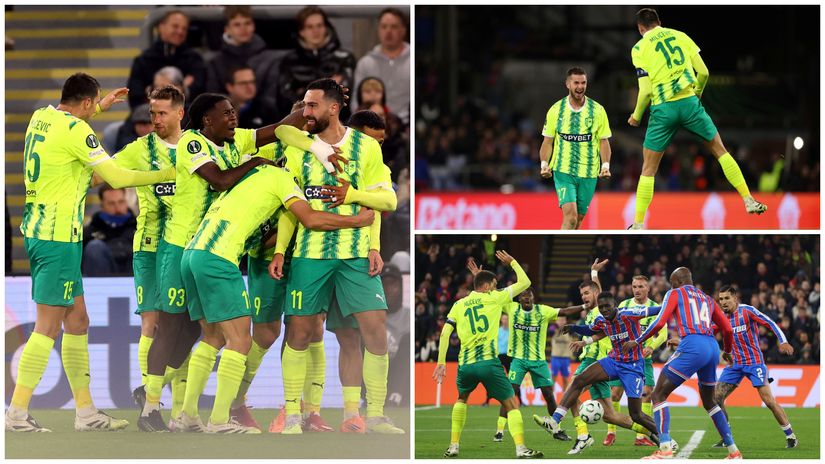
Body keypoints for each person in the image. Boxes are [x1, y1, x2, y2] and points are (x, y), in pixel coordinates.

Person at [140, 92, 328, 432]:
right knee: (201, 332)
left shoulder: (233, 143)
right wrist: (258, 162)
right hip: (184, 242)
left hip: (199, 247)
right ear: (207, 121)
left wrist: (305, 110)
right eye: (226, 113)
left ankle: (185, 414)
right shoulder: (193, 143)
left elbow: (275, 130)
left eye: (234, 111)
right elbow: (222, 179)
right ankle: (176, 409)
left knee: (209, 337)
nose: (234, 117)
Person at [6, 72, 175, 432]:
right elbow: (117, 178)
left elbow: (73, 120)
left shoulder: (41, 117)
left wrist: (99, 106)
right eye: (93, 105)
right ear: (84, 103)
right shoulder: (78, 132)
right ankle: (16, 413)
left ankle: (85, 412)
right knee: (47, 328)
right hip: (58, 239)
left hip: (39, 231)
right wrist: (172, 174)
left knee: (78, 321)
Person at [180, 161, 375, 433]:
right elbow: (310, 219)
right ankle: (220, 420)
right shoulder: (282, 178)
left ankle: (187, 415)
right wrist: (357, 221)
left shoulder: (248, 177)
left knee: (212, 338)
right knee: (240, 340)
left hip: (192, 253)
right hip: (218, 257)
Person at [271, 78, 400, 435]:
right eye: (303, 105)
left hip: (355, 254)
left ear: (333, 107)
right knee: (299, 331)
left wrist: (353, 194)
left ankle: (371, 414)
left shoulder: (366, 148)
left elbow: (387, 201)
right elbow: (289, 204)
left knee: (374, 329)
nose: (305, 112)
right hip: (310, 253)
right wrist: (281, 249)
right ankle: (294, 414)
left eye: (311, 106)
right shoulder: (300, 147)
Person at [627, 8, 766, 229]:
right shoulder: (681, 36)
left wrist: (636, 116)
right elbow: (704, 72)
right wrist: (697, 94)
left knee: (648, 169)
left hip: (663, 110)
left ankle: (638, 224)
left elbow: (644, 91)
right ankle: (748, 200)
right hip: (690, 103)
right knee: (721, 151)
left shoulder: (639, 48)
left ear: (640, 28)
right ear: (660, 22)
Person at [107, 86, 187, 428]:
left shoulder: (195, 146)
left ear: (180, 113)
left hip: (186, 246)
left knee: (186, 325)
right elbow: (104, 174)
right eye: (152, 113)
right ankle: (150, 407)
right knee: (153, 323)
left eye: (161, 113)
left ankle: (175, 405)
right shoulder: (140, 149)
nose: (154, 120)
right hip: (151, 246)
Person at [621, 267, 741, 459]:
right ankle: (734, 451)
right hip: (711, 347)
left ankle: (665, 448)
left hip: (692, 345)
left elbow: (660, 322)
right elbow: (727, 329)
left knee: (658, 394)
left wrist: (637, 340)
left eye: (671, 283)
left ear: (676, 282)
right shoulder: (708, 298)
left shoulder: (675, 293)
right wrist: (726, 351)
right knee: (710, 402)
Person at [432, 250, 542, 459]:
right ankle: (521, 449)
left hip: (466, 364)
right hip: (489, 363)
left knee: (462, 399)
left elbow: (445, 332)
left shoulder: (458, 304)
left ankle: (453, 445)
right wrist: (513, 262)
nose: (496, 286)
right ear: (489, 285)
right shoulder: (495, 298)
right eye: (494, 283)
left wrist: (441, 362)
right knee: (511, 403)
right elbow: (525, 282)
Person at [536, 292, 661, 454]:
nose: (603, 309)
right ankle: (555, 421)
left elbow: (656, 310)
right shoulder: (601, 320)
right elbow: (590, 329)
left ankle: (664, 437)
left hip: (633, 367)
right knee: (579, 380)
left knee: (636, 414)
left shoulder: (628, 314)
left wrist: (674, 304)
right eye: (601, 307)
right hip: (613, 361)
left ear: (614, 305)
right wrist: (574, 327)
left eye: (606, 306)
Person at [490, 284, 582, 443]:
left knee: (549, 395)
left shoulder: (543, 311)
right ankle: (499, 431)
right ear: (519, 299)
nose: (526, 297)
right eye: (523, 295)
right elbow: (494, 297)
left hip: (538, 361)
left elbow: (565, 311)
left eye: (529, 295)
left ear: (533, 298)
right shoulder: (511, 308)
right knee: (510, 393)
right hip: (518, 360)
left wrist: (584, 306)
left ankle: (556, 429)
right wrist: (488, 287)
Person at [713, 285, 797, 448]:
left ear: (735, 298)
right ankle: (726, 435)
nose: (723, 302)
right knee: (715, 398)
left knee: (768, 400)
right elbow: (708, 332)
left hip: (754, 363)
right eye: (721, 299)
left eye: (726, 298)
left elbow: (770, 323)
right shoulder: (721, 317)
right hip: (734, 364)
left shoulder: (747, 311)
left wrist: (783, 341)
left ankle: (791, 436)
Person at [539, 67, 612, 230]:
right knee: (570, 218)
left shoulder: (598, 110)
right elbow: (547, 142)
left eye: (583, 83)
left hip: (589, 172)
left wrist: (605, 166)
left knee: (577, 220)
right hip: (564, 170)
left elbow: (604, 142)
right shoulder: (556, 110)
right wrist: (544, 164)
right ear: (567, 84)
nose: (580, 86)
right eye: (576, 83)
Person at [604, 275, 664, 447]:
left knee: (646, 394)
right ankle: (610, 432)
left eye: (641, 286)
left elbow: (664, 332)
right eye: (635, 286)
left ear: (648, 289)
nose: (637, 290)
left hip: (644, 359)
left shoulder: (654, 308)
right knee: (615, 393)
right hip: (623, 358)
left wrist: (651, 346)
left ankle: (641, 437)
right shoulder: (624, 306)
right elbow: (612, 329)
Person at [277, 6, 356, 118]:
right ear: (301, 32)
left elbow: (345, 97)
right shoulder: (289, 61)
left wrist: (303, 92)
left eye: (319, 26)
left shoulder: (344, 58)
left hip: (337, 122)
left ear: (326, 28)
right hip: (301, 123)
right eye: (310, 27)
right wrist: (328, 90)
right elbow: (285, 100)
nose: (316, 31)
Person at [205, 6, 281, 114]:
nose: (243, 29)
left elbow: (271, 97)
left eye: (247, 23)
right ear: (227, 29)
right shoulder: (216, 62)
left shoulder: (268, 59)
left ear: (253, 26)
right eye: (237, 24)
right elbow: (212, 97)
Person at [127, 10, 205, 109]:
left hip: (185, 117)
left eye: (184, 29)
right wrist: (180, 89)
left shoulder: (195, 59)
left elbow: (200, 92)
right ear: (161, 27)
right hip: (150, 118)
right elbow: (135, 97)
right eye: (175, 26)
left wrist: (152, 90)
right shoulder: (143, 60)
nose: (180, 31)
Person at [354, 8, 410, 125]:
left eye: (393, 27)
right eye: (384, 27)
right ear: (378, 29)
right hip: (372, 126)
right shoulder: (365, 63)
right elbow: (356, 102)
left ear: (403, 30)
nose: (388, 31)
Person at [82, 185, 136, 276]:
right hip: (101, 280)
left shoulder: (140, 229)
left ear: (126, 202)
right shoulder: (89, 232)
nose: (117, 207)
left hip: (133, 277)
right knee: (95, 247)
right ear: (102, 206)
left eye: (121, 202)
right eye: (111, 203)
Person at [549, 316, 572, 390]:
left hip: (566, 358)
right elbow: (550, 331)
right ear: (556, 321)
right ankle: (551, 400)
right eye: (559, 320)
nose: (561, 321)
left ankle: (565, 399)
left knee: (566, 380)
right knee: (553, 379)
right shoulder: (553, 328)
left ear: (565, 321)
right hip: (555, 357)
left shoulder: (569, 330)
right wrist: (557, 327)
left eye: (563, 320)